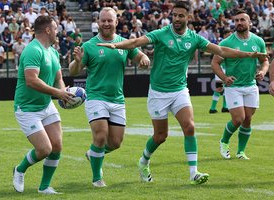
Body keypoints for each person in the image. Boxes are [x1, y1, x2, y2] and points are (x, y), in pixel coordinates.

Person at [97, 1, 267, 185]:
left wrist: (249, 55)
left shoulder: (194, 38)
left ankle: (194, 173)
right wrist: (118, 45)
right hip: (158, 93)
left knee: (190, 127)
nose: (176, 19)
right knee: (160, 136)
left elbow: (221, 50)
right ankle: (144, 161)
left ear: (188, 17)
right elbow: (138, 41)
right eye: (174, 15)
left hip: (180, 90)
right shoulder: (162, 34)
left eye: (180, 15)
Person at [69, 7, 150, 187]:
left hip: (117, 99)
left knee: (115, 142)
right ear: (98, 22)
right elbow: (74, 70)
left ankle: (93, 154)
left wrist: (144, 59)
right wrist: (76, 60)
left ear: (116, 22)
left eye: (109, 20)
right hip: (96, 97)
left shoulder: (124, 43)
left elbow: (140, 56)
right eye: (103, 20)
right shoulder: (89, 46)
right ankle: (97, 178)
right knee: (100, 136)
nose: (106, 23)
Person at [12, 15, 74, 195]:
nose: (58, 32)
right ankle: (20, 169)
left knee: (57, 146)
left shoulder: (53, 52)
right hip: (27, 108)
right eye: (55, 28)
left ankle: (44, 187)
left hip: (46, 105)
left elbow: (59, 78)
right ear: (47, 30)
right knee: (44, 149)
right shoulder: (33, 50)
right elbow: (31, 81)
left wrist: (64, 94)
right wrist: (58, 93)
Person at [211, 9, 269, 160]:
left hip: (251, 86)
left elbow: (265, 61)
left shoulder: (258, 41)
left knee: (248, 119)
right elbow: (215, 63)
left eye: (242, 20)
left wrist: (262, 72)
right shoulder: (227, 42)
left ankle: (241, 152)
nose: (239, 23)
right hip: (234, 87)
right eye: (236, 20)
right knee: (238, 119)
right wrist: (224, 78)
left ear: (249, 23)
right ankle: (224, 141)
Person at [209, 30, 233, 114]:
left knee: (226, 87)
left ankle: (225, 107)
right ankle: (212, 108)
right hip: (221, 68)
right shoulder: (221, 43)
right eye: (229, 34)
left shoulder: (230, 44)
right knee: (219, 88)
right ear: (225, 35)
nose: (230, 36)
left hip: (228, 68)